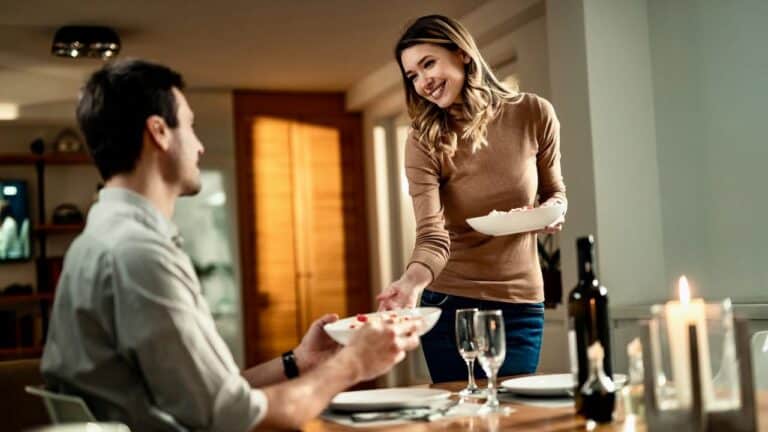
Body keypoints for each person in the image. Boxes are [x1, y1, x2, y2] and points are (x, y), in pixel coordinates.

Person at [41, 59, 422, 431]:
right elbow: (233, 419)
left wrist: (299, 362)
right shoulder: (136, 253)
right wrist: (353, 364)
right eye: (190, 126)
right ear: (158, 131)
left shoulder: (99, 242)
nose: (200, 146)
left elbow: (202, 397)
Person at [377, 15, 567, 383]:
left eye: (428, 63)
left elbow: (555, 191)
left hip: (521, 303)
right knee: (457, 416)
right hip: (450, 304)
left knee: (515, 414)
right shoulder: (423, 140)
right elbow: (433, 234)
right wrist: (411, 283)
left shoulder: (533, 113)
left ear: (462, 53)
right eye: (412, 75)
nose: (423, 82)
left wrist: (552, 212)